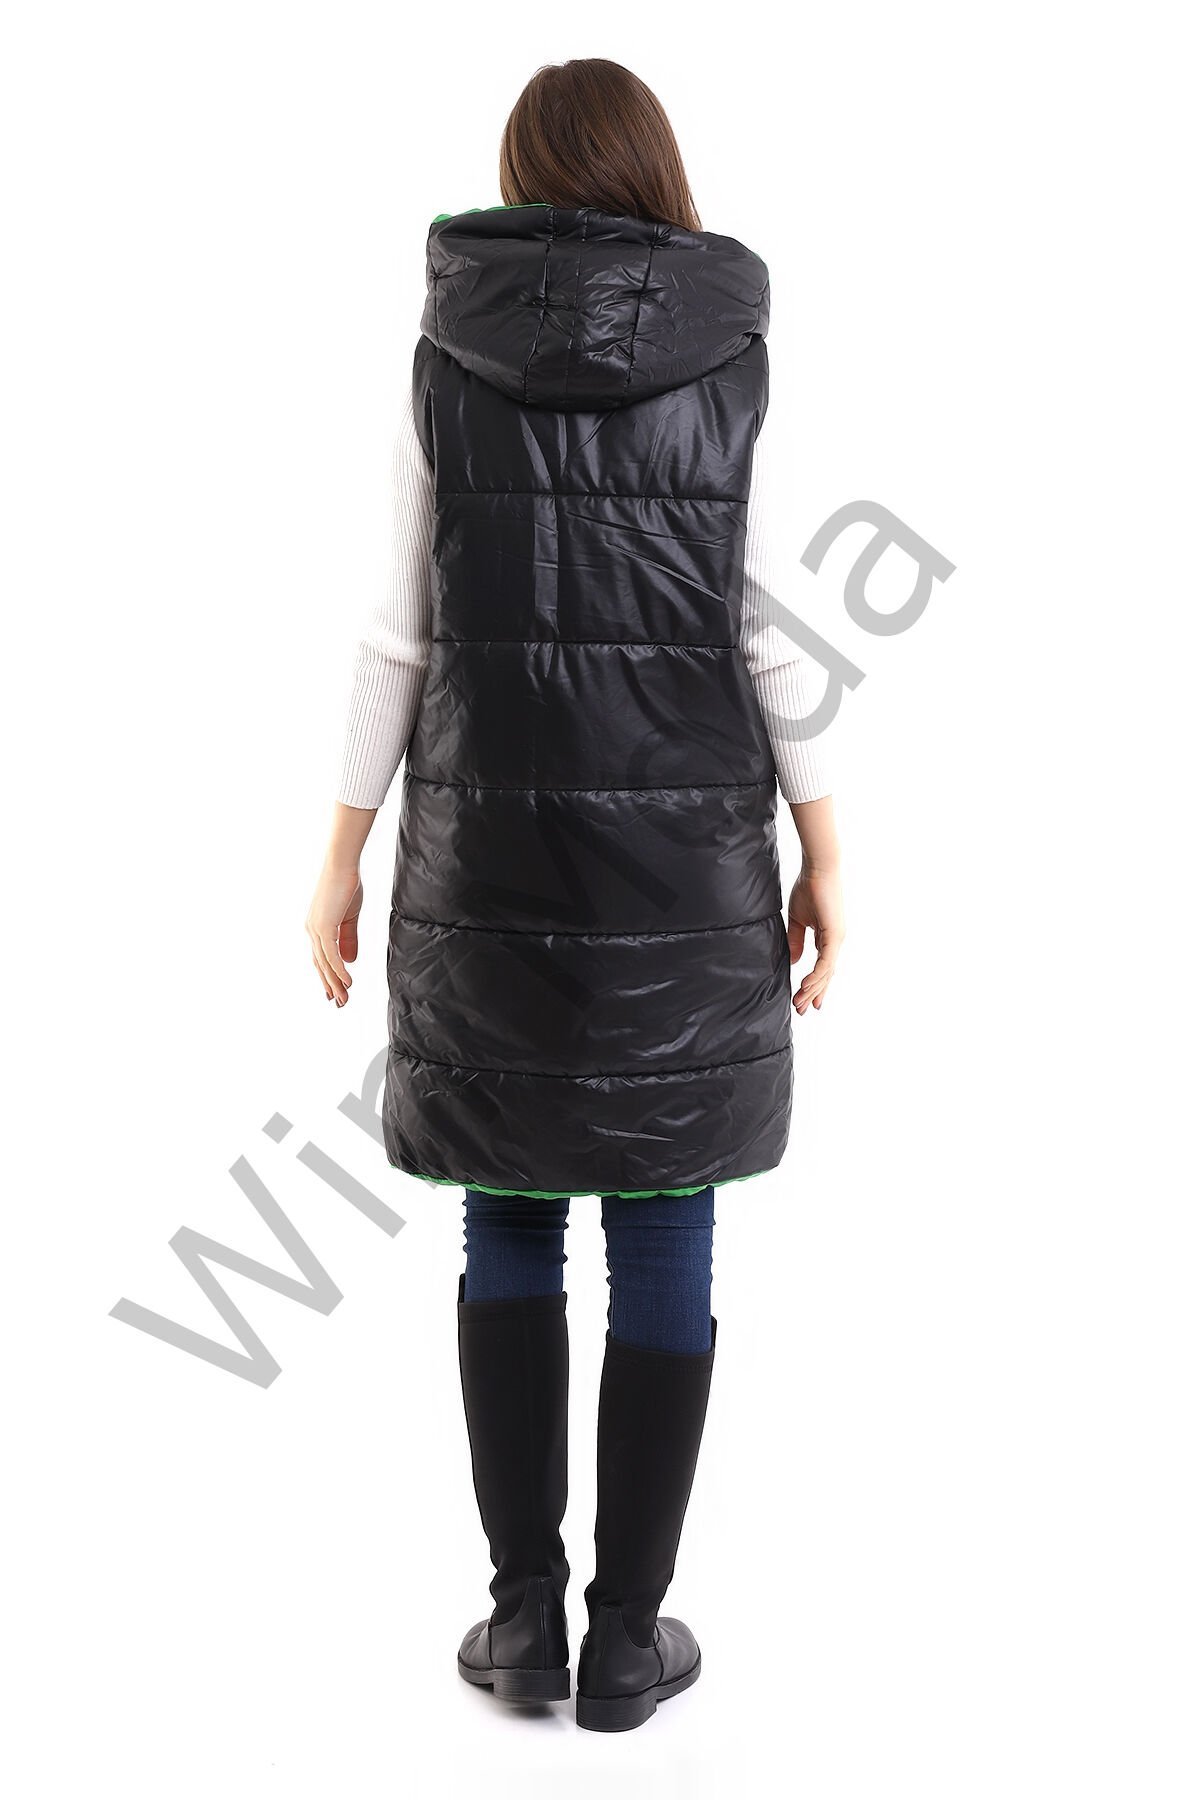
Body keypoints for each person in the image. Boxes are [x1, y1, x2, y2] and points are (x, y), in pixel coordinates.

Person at [306, 58, 845, 1733]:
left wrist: (340, 847)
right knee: (666, 1214)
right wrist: (830, 846)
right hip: (685, 873)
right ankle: (627, 1641)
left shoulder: (443, 361)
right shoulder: (734, 362)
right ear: (655, 174)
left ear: (522, 181)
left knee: (510, 1210)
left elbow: (396, 635)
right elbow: (774, 635)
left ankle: (522, 1619)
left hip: (490, 869)